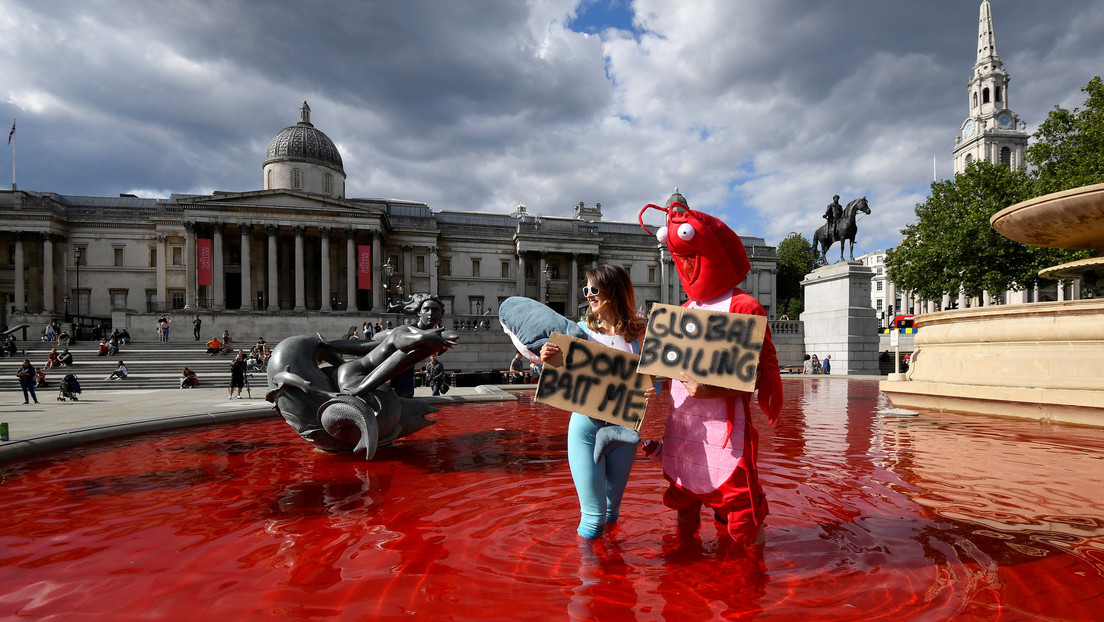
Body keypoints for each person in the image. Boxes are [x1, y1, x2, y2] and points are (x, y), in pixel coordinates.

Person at [637, 197, 783, 548]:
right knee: (684, 504)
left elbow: (752, 374)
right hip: (685, 429)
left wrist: (709, 389)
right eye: (681, 260)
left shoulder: (743, 306)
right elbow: (664, 370)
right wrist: (642, 378)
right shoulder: (683, 309)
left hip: (725, 433)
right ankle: (686, 567)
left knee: (741, 515)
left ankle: (750, 583)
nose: (685, 267)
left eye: (690, 258)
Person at [539, 264, 648, 539]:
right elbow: (556, 375)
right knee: (594, 519)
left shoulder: (640, 334)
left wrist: (652, 389)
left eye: (594, 289)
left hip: (624, 432)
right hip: (586, 428)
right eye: (586, 289)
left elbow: (655, 380)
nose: (588, 295)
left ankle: (610, 575)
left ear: (614, 290)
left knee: (612, 512)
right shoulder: (578, 331)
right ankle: (587, 578)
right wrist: (547, 357)